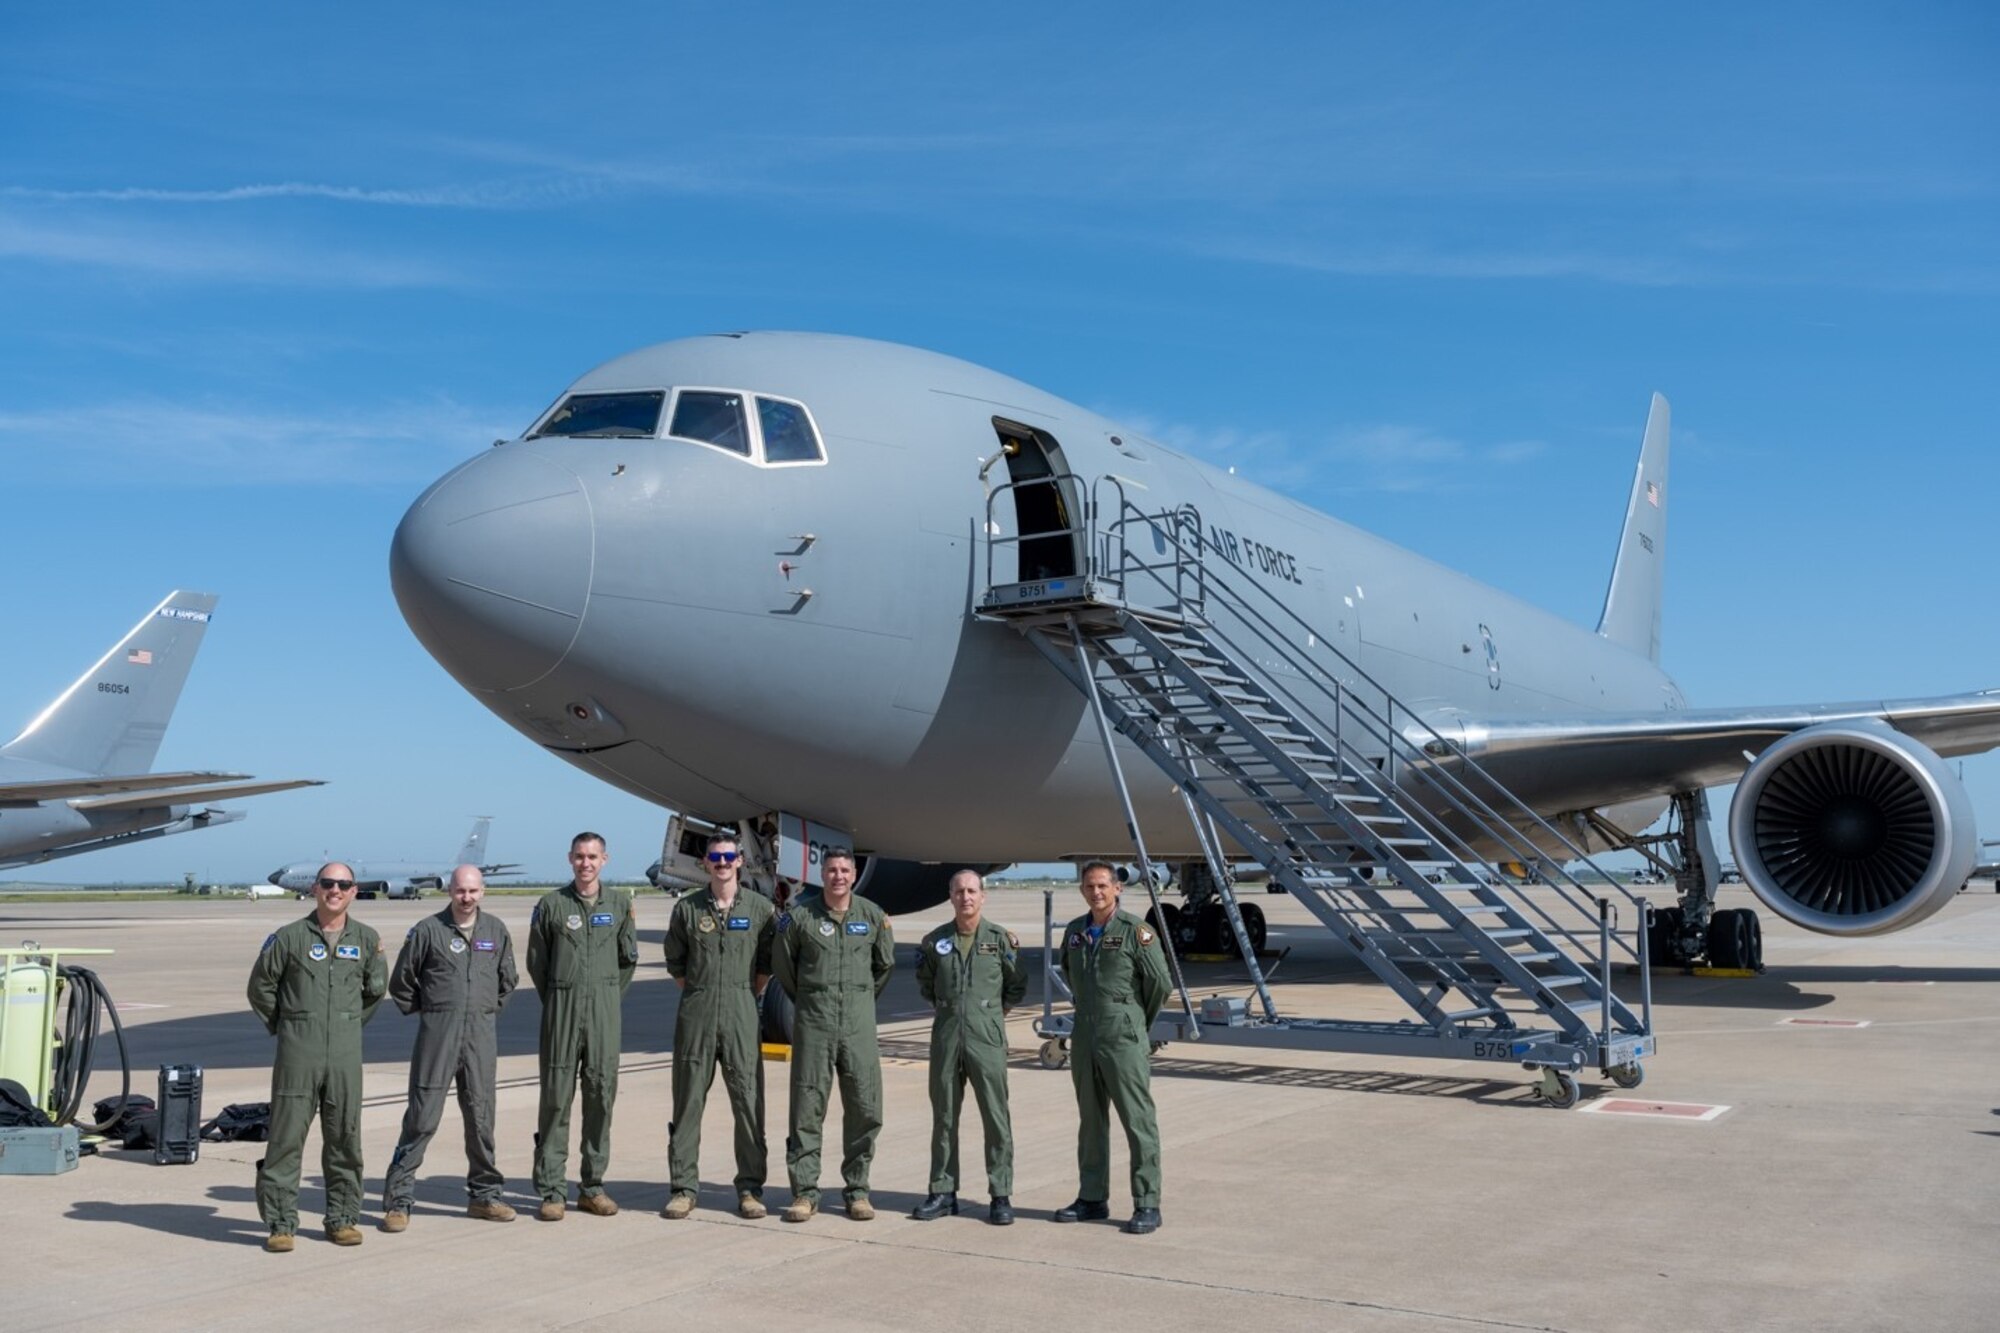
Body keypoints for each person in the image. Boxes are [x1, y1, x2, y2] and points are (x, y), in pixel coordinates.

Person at [246, 862, 388, 1252]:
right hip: (297, 1053)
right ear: (315, 889)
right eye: (328, 883)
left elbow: (376, 991)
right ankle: (280, 1224)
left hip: (345, 1055)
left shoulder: (366, 939)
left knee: (345, 1139)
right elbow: (261, 988)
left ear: (354, 891)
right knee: (285, 1140)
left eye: (343, 884)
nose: (335, 890)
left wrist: (347, 1023)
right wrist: (289, 1026)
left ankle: (342, 1220)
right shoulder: (288, 938)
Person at [380, 864, 519, 1231]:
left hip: (480, 1038)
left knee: (481, 1117)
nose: (467, 897)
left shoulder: (495, 931)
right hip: (438, 1036)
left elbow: (508, 983)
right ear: (450, 891)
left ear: (482, 891)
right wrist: (438, 1012)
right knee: (422, 1117)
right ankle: (399, 1200)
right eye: (460, 891)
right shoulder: (428, 931)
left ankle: (485, 1196)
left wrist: (482, 1012)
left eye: (473, 891)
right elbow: (402, 983)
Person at [771, 847, 894, 1222]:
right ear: (820, 874)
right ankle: (805, 1193)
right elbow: (784, 967)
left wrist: (857, 1001)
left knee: (864, 1107)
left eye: (844, 870)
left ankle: (857, 1191)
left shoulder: (872, 916)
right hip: (814, 1023)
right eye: (831, 870)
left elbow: (883, 966)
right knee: (807, 1108)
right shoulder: (800, 918)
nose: (838, 876)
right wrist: (813, 998)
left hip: (857, 1025)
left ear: (853, 874)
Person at [660, 833, 776, 1220]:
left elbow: (765, 965)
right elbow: (676, 962)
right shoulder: (688, 910)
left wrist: (742, 994)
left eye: (729, 856)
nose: (723, 863)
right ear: (706, 864)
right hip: (697, 1012)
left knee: (748, 1103)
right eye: (716, 857)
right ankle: (683, 1188)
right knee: (688, 1101)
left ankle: (750, 1189)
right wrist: (703, 992)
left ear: (740, 861)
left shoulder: (760, 909)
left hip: (742, 1011)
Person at [526, 831, 638, 1221]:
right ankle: (552, 1189)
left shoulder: (620, 904)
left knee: (600, 1097)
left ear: (604, 859)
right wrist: (562, 996)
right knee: (556, 1100)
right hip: (562, 1010)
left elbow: (628, 961)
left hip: (604, 1013)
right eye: (579, 856)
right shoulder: (552, 905)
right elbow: (537, 963)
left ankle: (592, 1186)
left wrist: (605, 997)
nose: (585, 863)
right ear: (569, 859)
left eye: (592, 856)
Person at [1055, 860, 1170, 1235]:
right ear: (1082, 890)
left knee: (1137, 1121)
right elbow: (1070, 974)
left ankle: (1147, 1202)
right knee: (1090, 1121)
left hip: (1123, 1036)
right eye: (1090, 886)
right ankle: (1092, 1197)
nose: (1097, 892)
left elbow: (1159, 984)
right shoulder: (1075, 932)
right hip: (1086, 1034)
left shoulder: (1137, 931)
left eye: (1103, 885)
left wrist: (1134, 1021)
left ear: (1117, 888)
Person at [913, 869, 1026, 1225]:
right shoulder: (935, 942)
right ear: (951, 896)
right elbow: (927, 985)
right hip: (947, 1036)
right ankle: (943, 1191)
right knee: (944, 1116)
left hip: (987, 1038)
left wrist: (989, 1014)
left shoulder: (1001, 940)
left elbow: (1016, 985)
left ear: (983, 896)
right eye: (959, 891)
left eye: (972, 891)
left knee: (995, 1116)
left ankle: (1001, 1193)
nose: (966, 897)